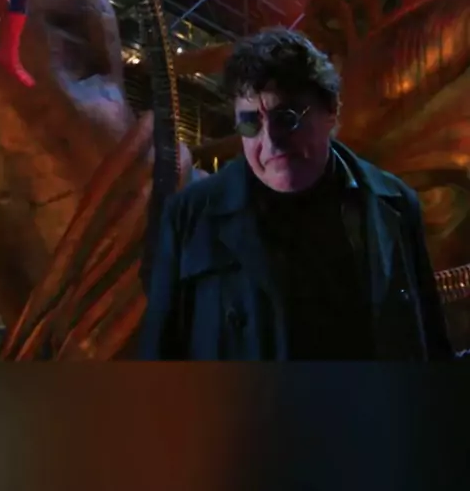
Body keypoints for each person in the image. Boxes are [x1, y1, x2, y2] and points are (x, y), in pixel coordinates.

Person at [140, 28, 453, 360]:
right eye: (250, 125)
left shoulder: (396, 206)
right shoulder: (189, 216)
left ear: (330, 111)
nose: (271, 143)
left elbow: (431, 344)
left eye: (286, 119)